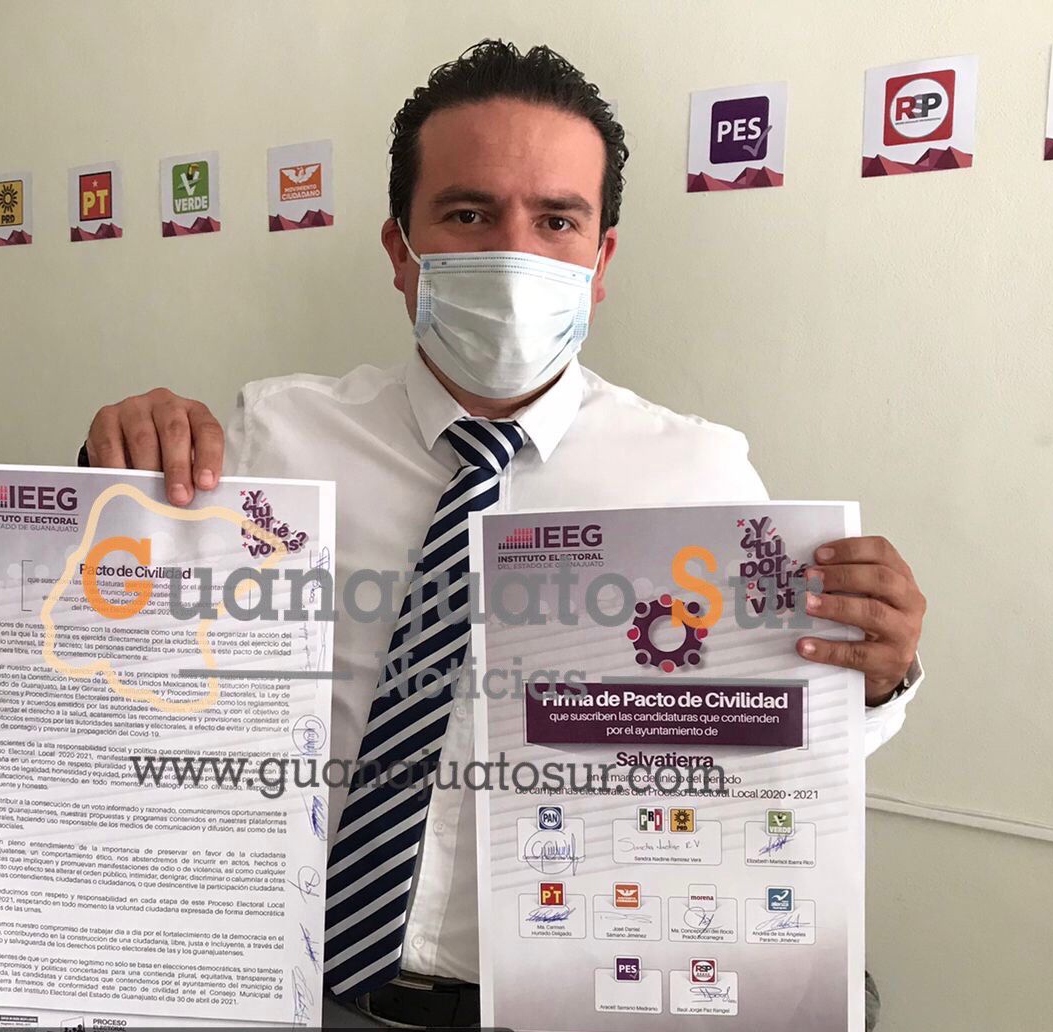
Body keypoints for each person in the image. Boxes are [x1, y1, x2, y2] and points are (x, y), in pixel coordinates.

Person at [79, 40, 926, 1030]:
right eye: (469, 214)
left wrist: (871, 673)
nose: (513, 255)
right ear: (401, 250)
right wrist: (114, 476)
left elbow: (766, 747)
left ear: (601, 261)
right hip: (279, 984)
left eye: (556, 220)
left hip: (571, 998)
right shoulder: (273, 441)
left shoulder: (698, 479)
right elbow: (124, 651)